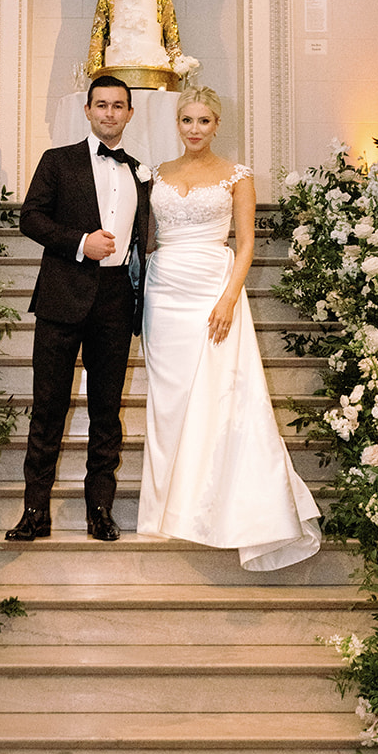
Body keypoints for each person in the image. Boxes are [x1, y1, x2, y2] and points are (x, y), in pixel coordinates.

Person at [138, 88, 322, 571]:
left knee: (220, 396)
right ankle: (166, 507)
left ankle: (215, 505)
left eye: (203, 120)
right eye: (186, 120)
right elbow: (148, 237)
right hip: (163, 291)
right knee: (170, 399)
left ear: (217, 124)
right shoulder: (156, 173)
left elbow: (245, 247)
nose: (194, 129)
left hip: (212, 289)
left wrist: (227, 300)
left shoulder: (237, 176)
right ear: (176, 124)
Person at [7, 74, 151, 543]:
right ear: (87, 111)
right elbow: (30, 217)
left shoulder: (139, 172)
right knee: (47, 407)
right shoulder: (58, 161)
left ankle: (100, 510)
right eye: (101, 105)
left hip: (115, 300)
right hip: (61, 297)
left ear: (130, 113)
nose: (109, 113)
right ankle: (34, 511)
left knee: (106, 411)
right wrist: (79, 243)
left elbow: (144, 239)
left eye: (118, 106)